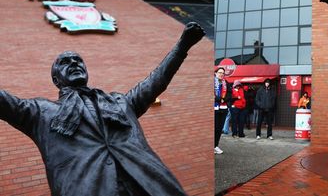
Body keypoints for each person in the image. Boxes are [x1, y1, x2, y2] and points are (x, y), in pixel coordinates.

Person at [0, 22, 205, 196]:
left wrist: (182, 46)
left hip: (148, 185)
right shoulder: (41, 112)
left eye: (78, 60)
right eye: (65, 62)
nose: (74, 63)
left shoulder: (120, 102)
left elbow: (156, 81)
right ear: (56, 79)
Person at [214, 67, 230, 154]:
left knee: (219, 129)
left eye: (223, 73)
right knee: (214, 128)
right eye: (220, 72)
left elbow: (230, 94)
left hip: (223, 109)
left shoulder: (226, 83)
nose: (221, 74)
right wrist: (220, 99)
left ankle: (216, 145)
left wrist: (225, 99)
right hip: (214, 108)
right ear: (215, 73)